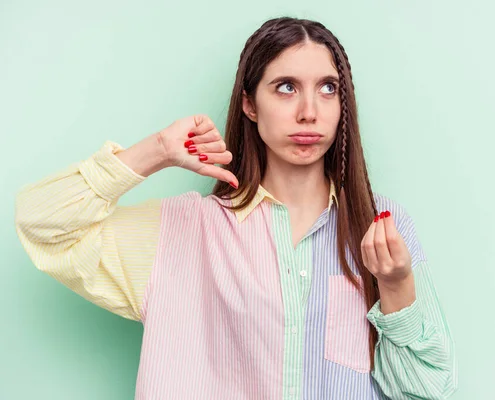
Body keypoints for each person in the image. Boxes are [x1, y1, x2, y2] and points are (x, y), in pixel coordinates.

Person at [15, 16, 457, 400]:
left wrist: (395, 284)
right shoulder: (182, 233)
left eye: (327, 89)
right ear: (249, 103)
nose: (309, 112)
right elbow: (41, 223)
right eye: (285, 88)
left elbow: (426, 388)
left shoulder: (380, 227)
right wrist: (158, 151)